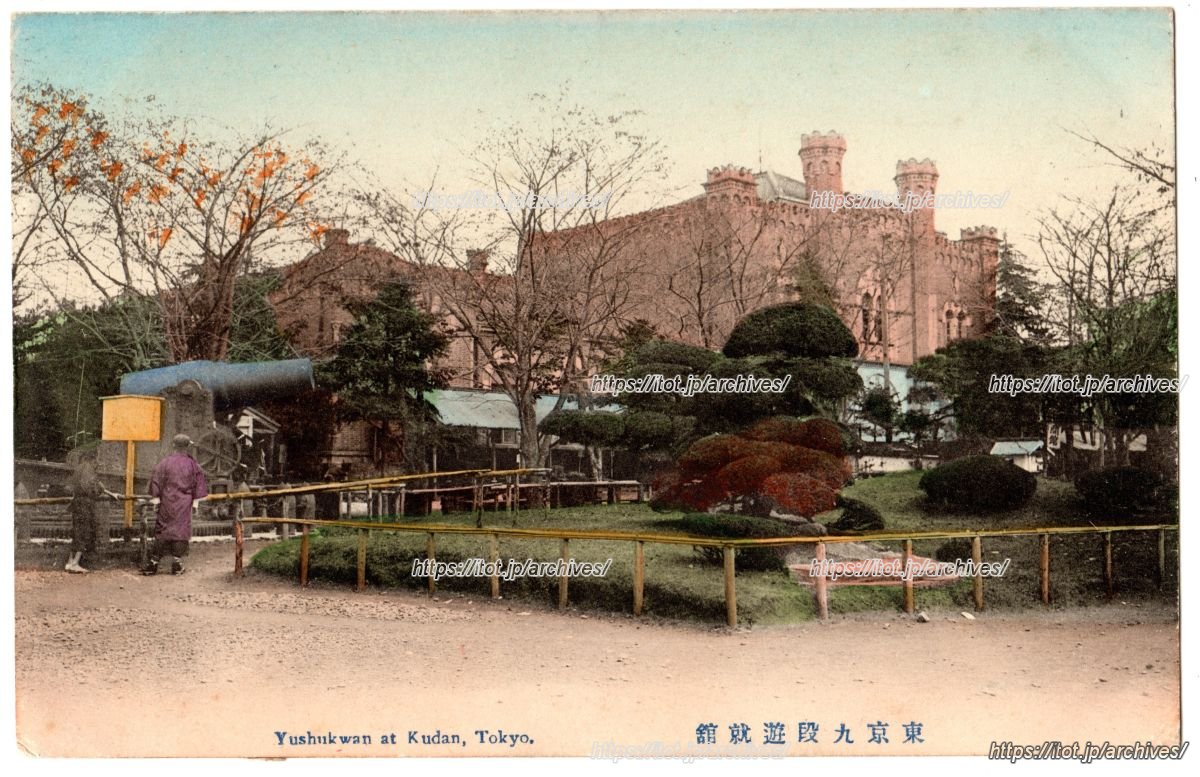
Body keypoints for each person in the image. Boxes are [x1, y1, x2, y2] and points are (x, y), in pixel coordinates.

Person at [143, 434, 208, 576]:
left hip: (167, 501)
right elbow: (199, 485)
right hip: (184, 503)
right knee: (181, 532)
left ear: (173, 446)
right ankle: (177, 564)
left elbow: (156, 480)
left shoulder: (164, 463)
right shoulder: (193, 465)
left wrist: (156, 500)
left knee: (163, 530)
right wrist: (195, 504)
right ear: (187, 447)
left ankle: (153, 564)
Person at [65, 450, 115, 573]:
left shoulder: (79, 468)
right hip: (85, 504)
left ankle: (70, 562)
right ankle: (75, 563)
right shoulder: (89, 469)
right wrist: (98, 491)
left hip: (77, 502)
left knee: (76, 532)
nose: (97, 463)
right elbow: (90, 487)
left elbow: (90, 483)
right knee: (84, 532)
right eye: (96, 460)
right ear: (92, 459)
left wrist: (106, 491)